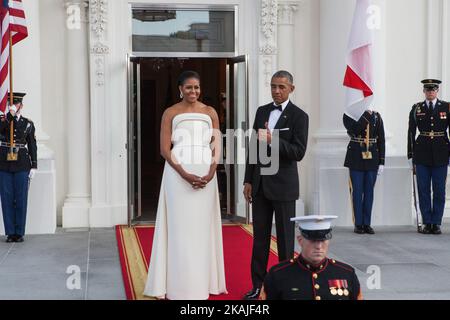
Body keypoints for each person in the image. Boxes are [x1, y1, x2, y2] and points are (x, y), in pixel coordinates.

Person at [143, 71, 227, 300]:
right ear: (180, 88)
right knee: (179, 230)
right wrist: (184, 174)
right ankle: (177, 287)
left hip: (205, 175)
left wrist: (211, 173)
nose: (193, 92)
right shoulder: (170, 112)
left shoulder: (210, 112)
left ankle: (201, 285)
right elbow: (164, 149)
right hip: (177, 176)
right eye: (189, 87)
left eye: (197, 88)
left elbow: (216, 145)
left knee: (201, 230)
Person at [243, 70, 309, 300]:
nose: (276, 91)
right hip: (260, 186)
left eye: (281, 86)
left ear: (292, 88)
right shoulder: (262, 111)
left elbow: (299, 152)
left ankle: (284, 289)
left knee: (284, 241)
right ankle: (257, 287)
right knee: (259, 240)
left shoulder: (300, 116)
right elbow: (254, 148)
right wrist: (248, 180)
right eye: (273, 86)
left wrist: (275, 141)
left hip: (284, 187)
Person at [260, 215, 363, 300]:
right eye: (313, 240)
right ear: (300, 240)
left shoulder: (347, 274)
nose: (318, 246)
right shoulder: (278, 275)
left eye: (323, 240)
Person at [408, 79, 450, 235]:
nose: (431, 92)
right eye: (428, 90)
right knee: (423, 189)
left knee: (439, 190)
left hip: (441, 153)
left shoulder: (446, 107)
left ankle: (436, 222)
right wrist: (410, 155)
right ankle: (427, 222)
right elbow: (411, 132)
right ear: (424, 91)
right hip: (422, 154)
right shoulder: (416, 108)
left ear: (437, 91)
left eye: (433, 89)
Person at [0, 92, 37, 243]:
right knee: (7, 198)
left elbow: (32, 145)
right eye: (11, 104)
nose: (14, 106)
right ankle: (10, 232)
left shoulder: (28, 123)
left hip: (22, 163)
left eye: (16, 104)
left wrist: (34, 165)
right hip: (4, 163)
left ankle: (19, 232)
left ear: (21, 105)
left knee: (21, 198)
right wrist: (9, 115)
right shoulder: (3, 121)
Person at [343, 110, 385, 234]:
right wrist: (366, 115)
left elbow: (381, 139)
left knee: (369, 192)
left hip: (372, 157)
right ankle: (358, 223)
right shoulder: (350, 114)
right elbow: (353, 130)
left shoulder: (377, 116)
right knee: (356, 191)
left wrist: (382, 161)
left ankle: (367, 223)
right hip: (356, 156)